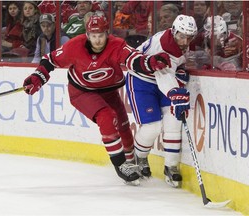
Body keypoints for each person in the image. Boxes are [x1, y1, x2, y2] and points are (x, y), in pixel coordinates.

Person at [22, 14, 174, 185]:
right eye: (93, 36)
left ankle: (131, 161)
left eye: (101, 36)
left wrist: (151, 62)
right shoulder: (75, 45)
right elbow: (50, 60)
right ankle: (120, 165)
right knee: (107, 117)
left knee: (123, 125)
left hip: (109, 92)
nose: (98, 40)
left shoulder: (116, 44)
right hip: (82, 93)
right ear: (87, 34)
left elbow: (133, 59)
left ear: (107, 33)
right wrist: (38, 77)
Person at [125, 14, 196, 188]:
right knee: (153, 126)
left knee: (174, 121)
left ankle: (171, 166)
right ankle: (139, 158)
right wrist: (174, 93)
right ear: (173, 31)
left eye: (189, 37)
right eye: (181, 36)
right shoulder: (163, 47)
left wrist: (179, 70)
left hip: (162, 79)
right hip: (141, 81)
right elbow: (163, 75)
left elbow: (171, 70)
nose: (184, 41)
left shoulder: (174, 41)